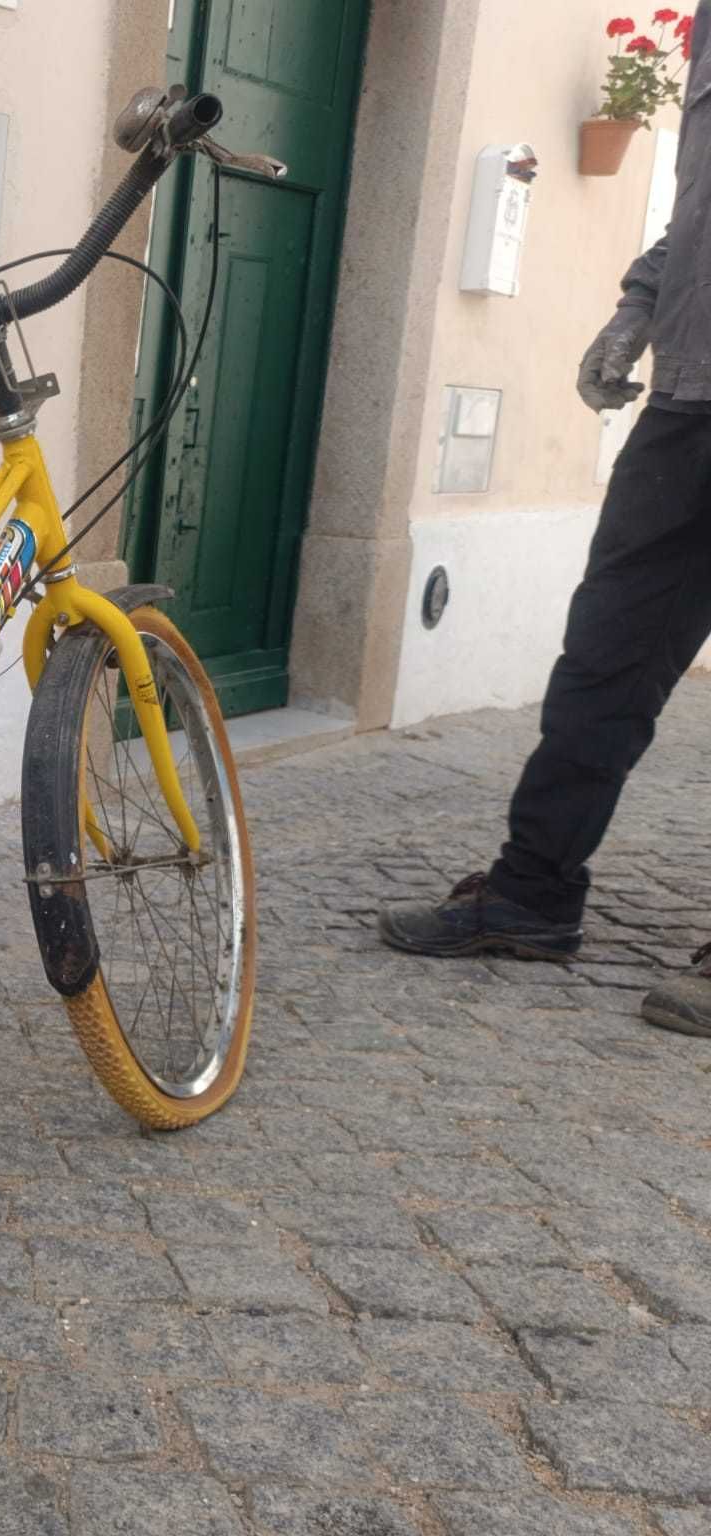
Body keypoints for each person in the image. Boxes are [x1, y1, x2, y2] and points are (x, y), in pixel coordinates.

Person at [379, 1, 711, 1038]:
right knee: (602, 656)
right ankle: (531, 893)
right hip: (686, 404)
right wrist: (633, 309)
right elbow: (696, 204)